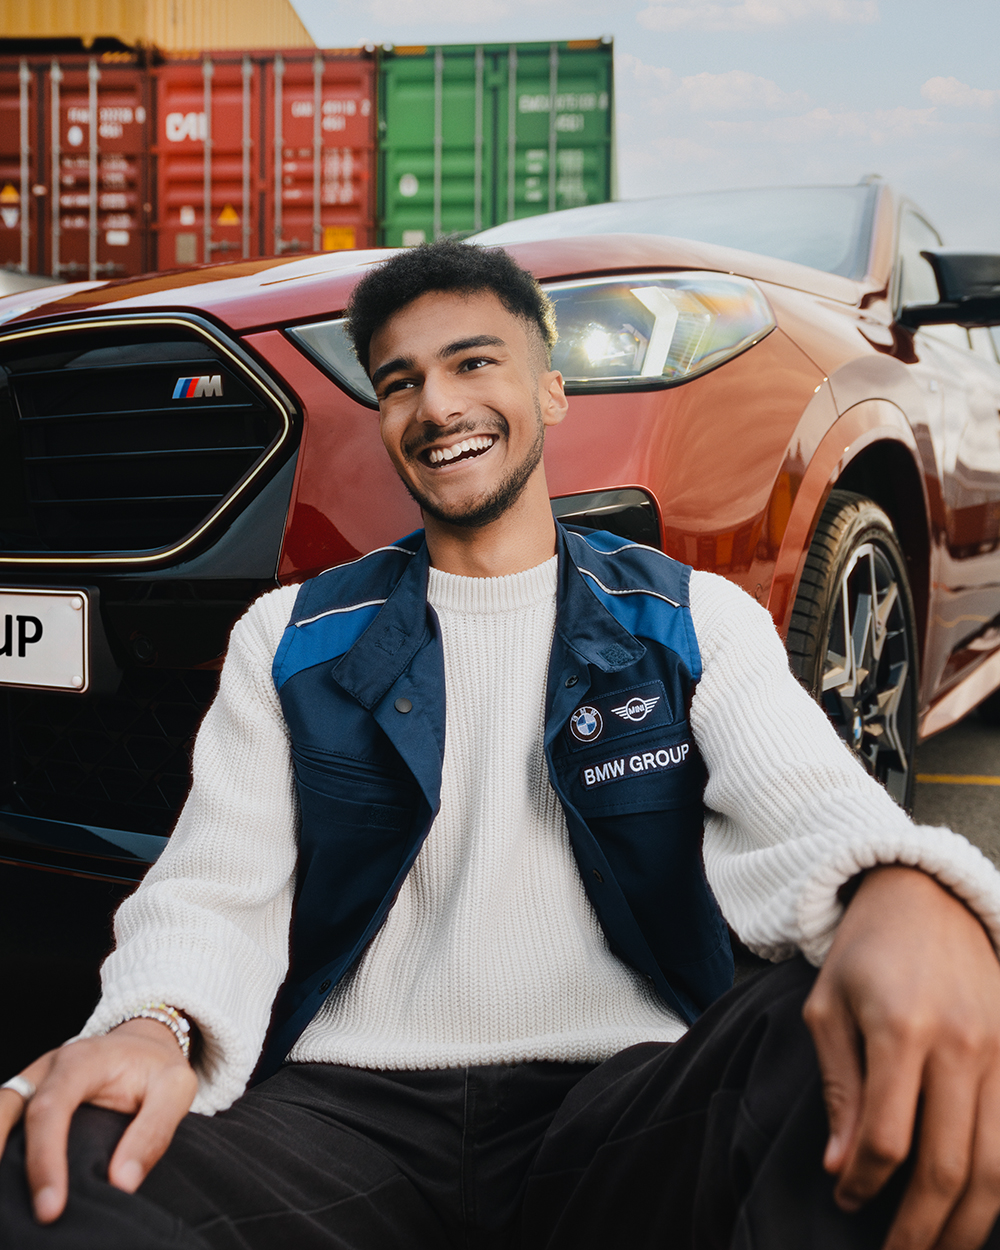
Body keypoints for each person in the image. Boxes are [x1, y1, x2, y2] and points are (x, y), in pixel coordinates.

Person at [3, 239, 1000, 1250]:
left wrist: (906, 892)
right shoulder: (289, 635)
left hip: (625, 1107)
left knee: (892, 1056)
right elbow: (215, 887)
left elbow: (815, 802)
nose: (436, 406)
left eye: (474, 364)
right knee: (57, 1161)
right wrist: (153, 1025)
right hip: (342, 1117)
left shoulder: (693, 615)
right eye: (401, 382)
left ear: (552, 390)